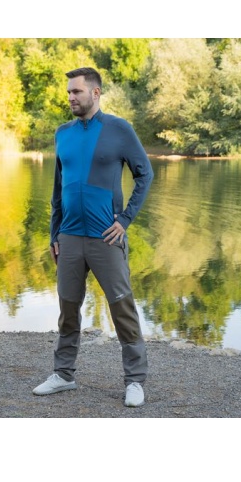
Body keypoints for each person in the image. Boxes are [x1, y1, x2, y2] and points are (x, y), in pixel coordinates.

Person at [33, 67, 154, 407]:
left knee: (122, 308)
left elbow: (145, 174)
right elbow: (58, 190)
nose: (70, 97)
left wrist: (125, 219)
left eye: (77, 92)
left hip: (106, 237)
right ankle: (63, 375)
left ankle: (135, 381)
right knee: (68, 308)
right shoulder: (62, 133)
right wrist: (54, 233)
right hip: (69, 236)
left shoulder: (118, 130)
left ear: (96, 93)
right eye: (69, 92)